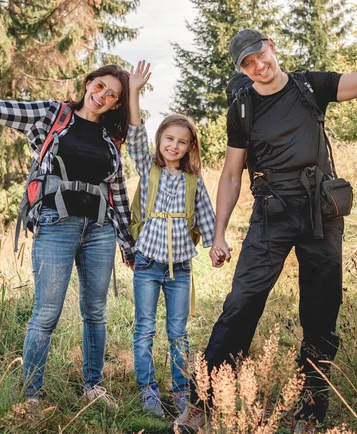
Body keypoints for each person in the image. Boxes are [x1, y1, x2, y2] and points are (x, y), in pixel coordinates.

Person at [173, 29, 357, 433]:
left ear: (271, 45)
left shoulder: (311, 85)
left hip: (320, 213)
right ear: (242, 70)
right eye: (247, 65)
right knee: (240, 306)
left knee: (320, 315)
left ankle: (308, 413)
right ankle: (203, 404)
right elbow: (232, 175)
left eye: (260, 56)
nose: (258, 66)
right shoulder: (241, 107)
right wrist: (219, 233)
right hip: (270, 213)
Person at [0, 64, 136, 407]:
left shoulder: (111, 138)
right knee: (46, 313)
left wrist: (128, 243)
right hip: (56, 223)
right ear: (88, 82)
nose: (102, 96)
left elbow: (118, 191)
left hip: (99, 229)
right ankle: (32, 394)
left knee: (95, 312)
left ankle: (93, 386)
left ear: (116, 104)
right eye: (100, 86)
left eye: (113, 95)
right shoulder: (51, 115)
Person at [126, 61, 216, 417]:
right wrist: (134, 91)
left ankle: (180, 391)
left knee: (178, 333)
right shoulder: (150, 169)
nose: (173, 146)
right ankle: (148, 389)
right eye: (168, 139)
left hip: (180, 267)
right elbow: (135, 133)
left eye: (181, 141)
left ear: (190, 146)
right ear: (160, 140)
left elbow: (206, 217)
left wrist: (217, 244)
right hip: (147, 262)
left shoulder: (194, 180)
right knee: (145, 329)